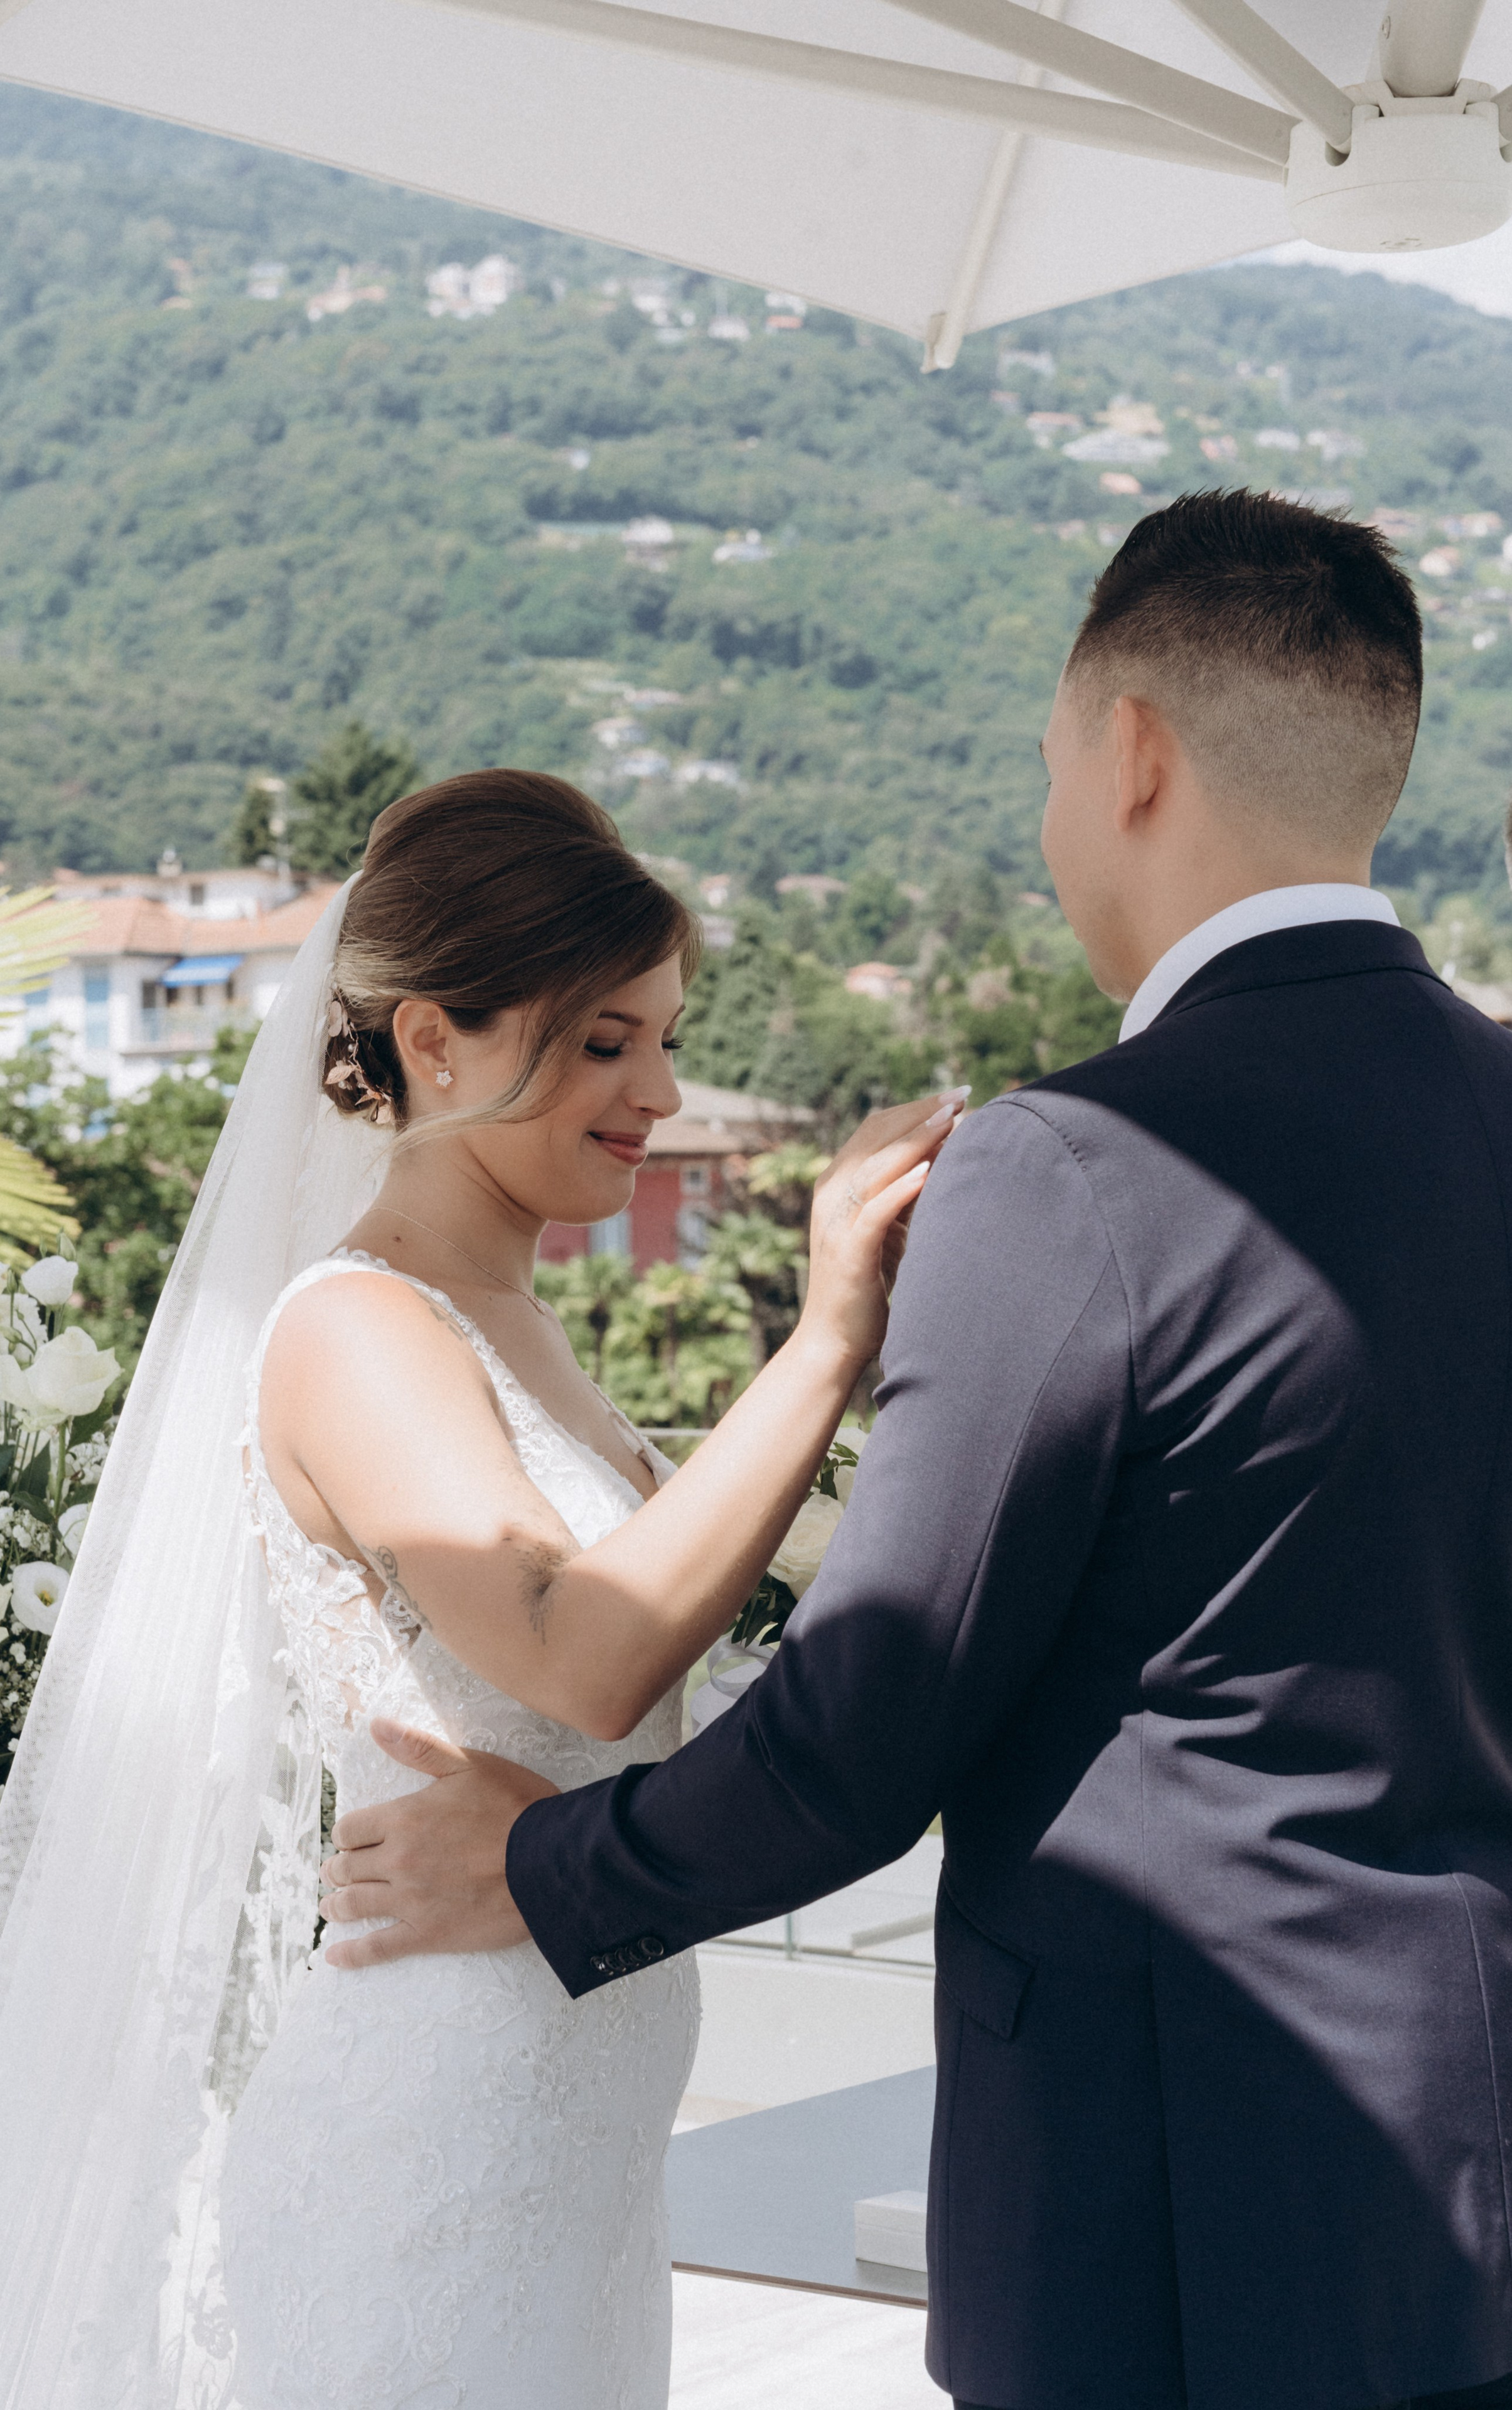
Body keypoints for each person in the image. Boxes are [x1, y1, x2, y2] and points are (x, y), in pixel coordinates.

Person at [321, 495, 1512, 2410]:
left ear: (1130, 756)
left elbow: (874, 1716)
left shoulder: (1085, 1167)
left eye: (1051, 764)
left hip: (1175, 2201)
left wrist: (546, 1870)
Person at [0, 769, 959, 2406]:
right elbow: (580, 1657)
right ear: (433, 1042)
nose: (660, 1090)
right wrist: (826, 1341)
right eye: (605, 1042)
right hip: (433, 2152)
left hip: (572, 2141)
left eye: (667, 1035)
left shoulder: (517, 1321)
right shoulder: (358, 1327)